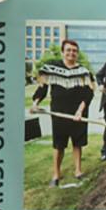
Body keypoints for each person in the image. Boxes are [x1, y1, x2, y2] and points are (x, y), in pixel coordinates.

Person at [32, 40, 94, 186]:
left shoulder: (83, 72)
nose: (71, 53)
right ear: (62, 52)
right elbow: (42, 88)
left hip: (78, 113)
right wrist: (35, 104)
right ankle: (56, 174)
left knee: (77, 143)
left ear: (77, 53)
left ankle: (78, 171)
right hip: (59, 112)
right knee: (58, 144)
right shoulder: (51, 68)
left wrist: (80, 111)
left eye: (74, 51)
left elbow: (88, 94)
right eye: (68, 50)